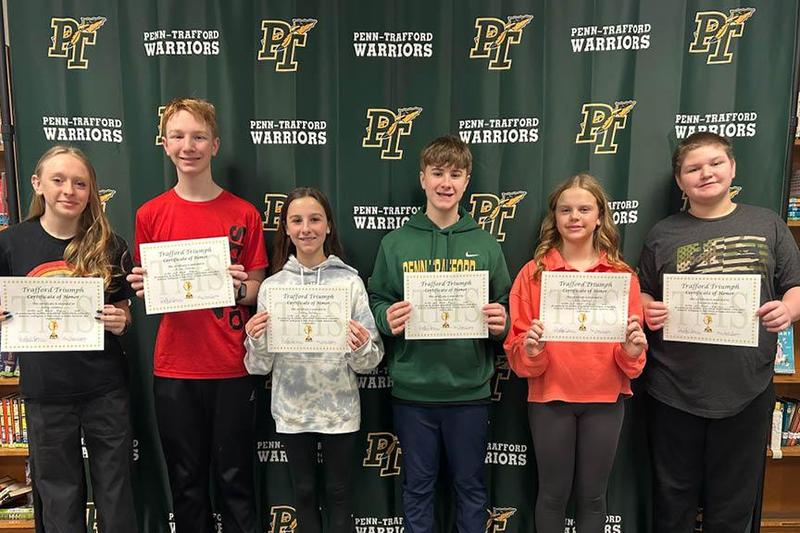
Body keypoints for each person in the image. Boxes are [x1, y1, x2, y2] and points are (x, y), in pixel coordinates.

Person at [638, 132, 800, 532]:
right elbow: (641, 291)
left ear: (733, 168)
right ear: (680, 181)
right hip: (673, 389)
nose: (705, 173)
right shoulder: (663, 233)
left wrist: (788, 310)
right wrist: (645, 308)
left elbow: (795, 286)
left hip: (746, 389)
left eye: (715, 163)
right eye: (693, 168)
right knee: (672, 499)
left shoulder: (768, 224)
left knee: (733, 505)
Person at [126, 97, 267, 533]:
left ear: (215, 144)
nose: (189, 146)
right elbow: (151, 291)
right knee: (186, 485)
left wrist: (234, 285)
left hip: (230, 366)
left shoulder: (243, 213)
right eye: (179, 136)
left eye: (199, 137)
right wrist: (146, 287)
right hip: (175, 369)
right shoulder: (150, 214)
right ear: (164, 144)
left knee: (237, 481)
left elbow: (258, 290)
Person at [367, 135, 511, 533]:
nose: (446, 182)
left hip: (469, 393)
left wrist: (503, 322)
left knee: (470, 489)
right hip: (414, 393)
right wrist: (385, 317)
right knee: (417, 489)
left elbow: (507, 305)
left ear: (467, 182)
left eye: (456, 174)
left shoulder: (484, 244)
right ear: (423, 178)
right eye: (437, 173)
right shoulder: (395, 243)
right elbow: (376, 298)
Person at [0, 145, 137, 532]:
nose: (69, 190)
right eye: (58, 180)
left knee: (116, 489)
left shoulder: (110, 243)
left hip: (105, 388)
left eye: (80, 183)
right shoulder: (11, 243)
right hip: (45, 392)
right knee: (58, 494)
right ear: (37, 183)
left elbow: (125, 311)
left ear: (91, 191)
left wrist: (120, 320)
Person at [503, 174, 647, 533]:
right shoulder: (533, 275)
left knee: (594, 497)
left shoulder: (622, 276)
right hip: (550, 398)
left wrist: (631, 351)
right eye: (565, 209)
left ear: (600, 216)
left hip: (604, 400)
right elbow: (518, 356)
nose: (575, 217)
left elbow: (634, 362)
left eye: (585, 209)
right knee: (552, 495)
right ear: (555, 217)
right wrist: (531, 350)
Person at [243, 187, 383, 533]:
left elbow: (370, 361)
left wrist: (362, 345)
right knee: (302, 493)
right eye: (297, 220)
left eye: (315, 219)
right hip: (292, 408)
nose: (306, 228)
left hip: (340, 409)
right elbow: (257, 367)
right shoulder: (272, 288)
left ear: (329, 226)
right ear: (286, 230)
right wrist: (256, 339)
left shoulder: (349, 282)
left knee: (339, 494)